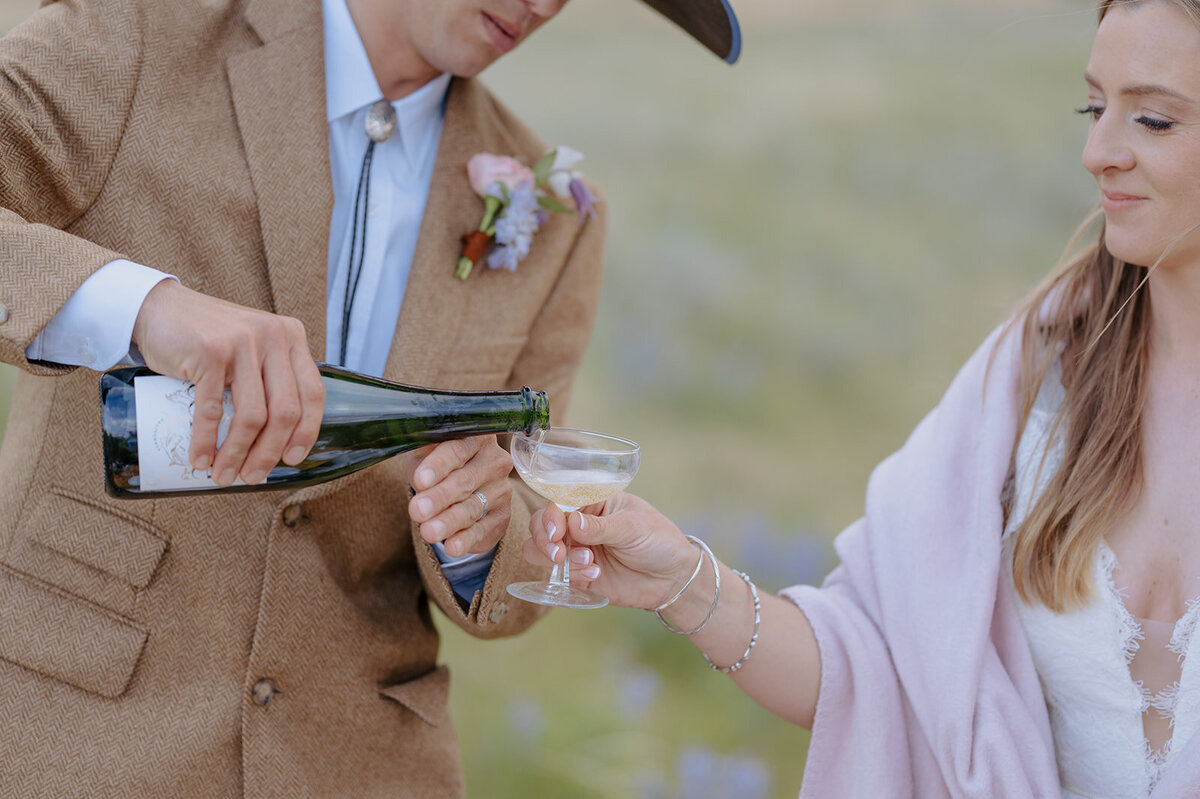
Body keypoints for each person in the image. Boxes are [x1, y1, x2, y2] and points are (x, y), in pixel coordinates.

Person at [0, 0, 740, 797]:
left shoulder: (554, 214)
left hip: (361, 764)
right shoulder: (140, 30)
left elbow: (530, 534)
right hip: (70, 731)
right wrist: (145, 307)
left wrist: (481, 535)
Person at [523, 1, 1200, 796]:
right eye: (1094, 107)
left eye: (1152, 120)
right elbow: (871, 665)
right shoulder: (1045, 367)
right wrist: (680, 580)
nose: (1096, 151)